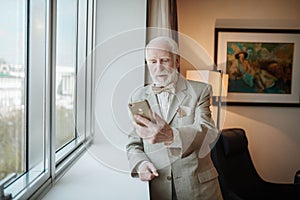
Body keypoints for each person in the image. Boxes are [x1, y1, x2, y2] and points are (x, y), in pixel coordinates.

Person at [126, 36, 223, 200]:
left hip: (199, 189)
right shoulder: (137, 96)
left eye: (164, 60)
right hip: (159, 188)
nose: (159, 67)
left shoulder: (201, 90)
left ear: (177, 61)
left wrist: (173, 135)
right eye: (153, 61)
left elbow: (209, 131)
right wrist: (140, 164)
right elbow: (134, 143)